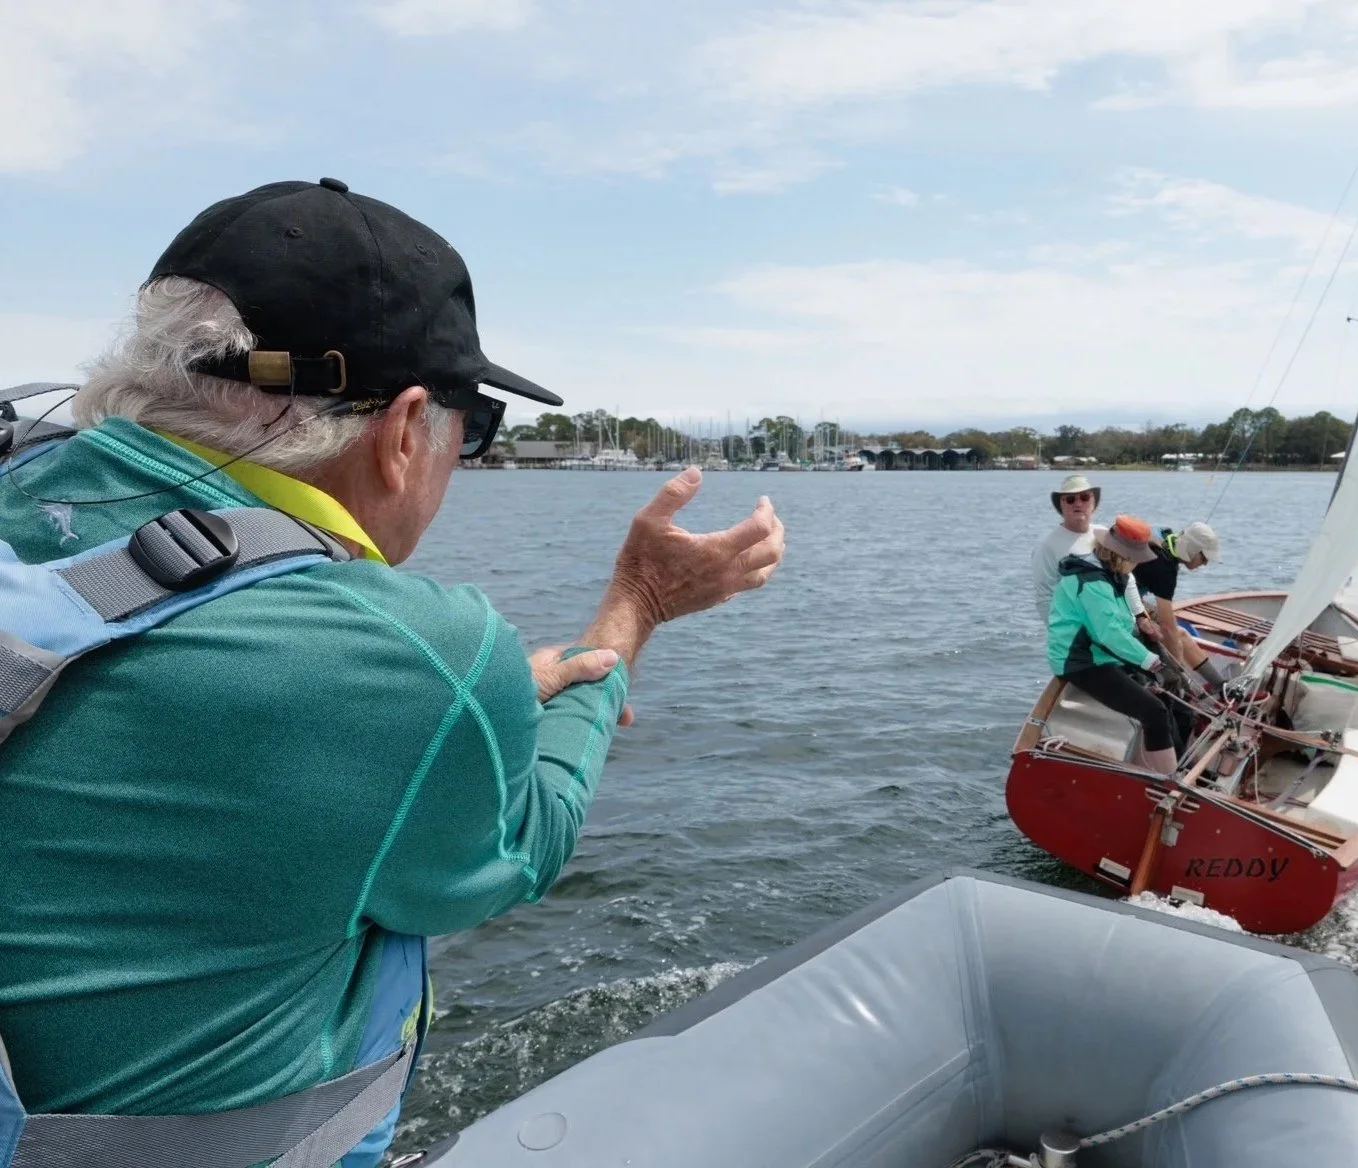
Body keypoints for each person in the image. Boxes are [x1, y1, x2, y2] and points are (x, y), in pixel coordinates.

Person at [0, 178, 786, 1166]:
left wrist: (489, 702)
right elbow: (527, 842)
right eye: (478, 426)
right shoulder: (416, 657)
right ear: (407, 428)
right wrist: (638, 605)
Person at [1048, 515, 1177, 775]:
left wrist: (1142, 624)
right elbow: (1109, 634)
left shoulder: (1110, 575)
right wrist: (1150, 661)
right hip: (1082, 662)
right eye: (1135, 560)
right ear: (1123, 556)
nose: (1137, 566)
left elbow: (1118, 625)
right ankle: (1170, 780)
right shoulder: (1093, 582)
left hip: (1102, 656)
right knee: (1154, 712)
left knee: (1165, 696)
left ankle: (1179, 762)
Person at [1031, 473, 1157, 640]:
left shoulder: (1105, 535)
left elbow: (1126, 578)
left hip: (1120, 628)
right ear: (1061, 504)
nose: (1078, 503)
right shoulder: (1046, 547)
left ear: (1094, 502)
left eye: (1084, 497)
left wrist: (1141, 616)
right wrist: (1068, 637)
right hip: (1082, 636)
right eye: (1070, 499)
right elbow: (1044, 598)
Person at [1130, 520, 1229, 686]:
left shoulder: (1164, 534)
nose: (1205, 563)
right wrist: (1179, 669)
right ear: (1192, 549)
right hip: (1121, 603)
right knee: (1174, 635)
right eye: (1204, 557)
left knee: (1180, 634)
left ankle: (1221, 686)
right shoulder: (1164, 568)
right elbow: (1167, 627)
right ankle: (1184, 685)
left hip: (1131, 598)